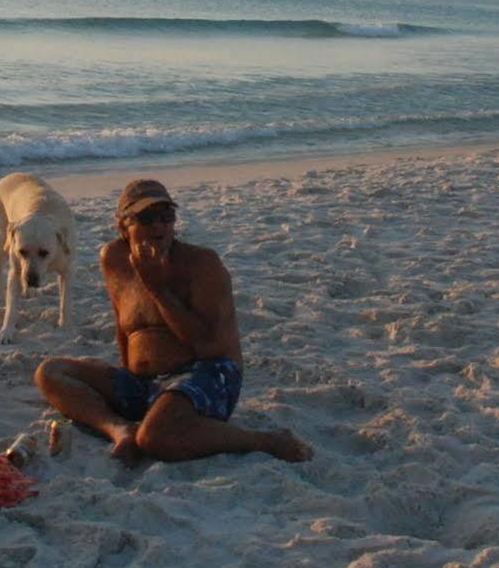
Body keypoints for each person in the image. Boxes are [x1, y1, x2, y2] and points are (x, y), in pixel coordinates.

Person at [35, 179, 310, 464]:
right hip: (146, 383)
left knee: (154, 438)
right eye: (146, 218)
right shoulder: (114, 258)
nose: (159, 227)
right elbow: (124, 327)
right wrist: (128, 377)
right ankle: (119, 429)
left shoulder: (202, 264)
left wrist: (158, 289)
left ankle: (261, 440)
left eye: (166, 217)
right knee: (51, 372)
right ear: (123, 228)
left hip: (206, 372)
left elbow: (208, 346)